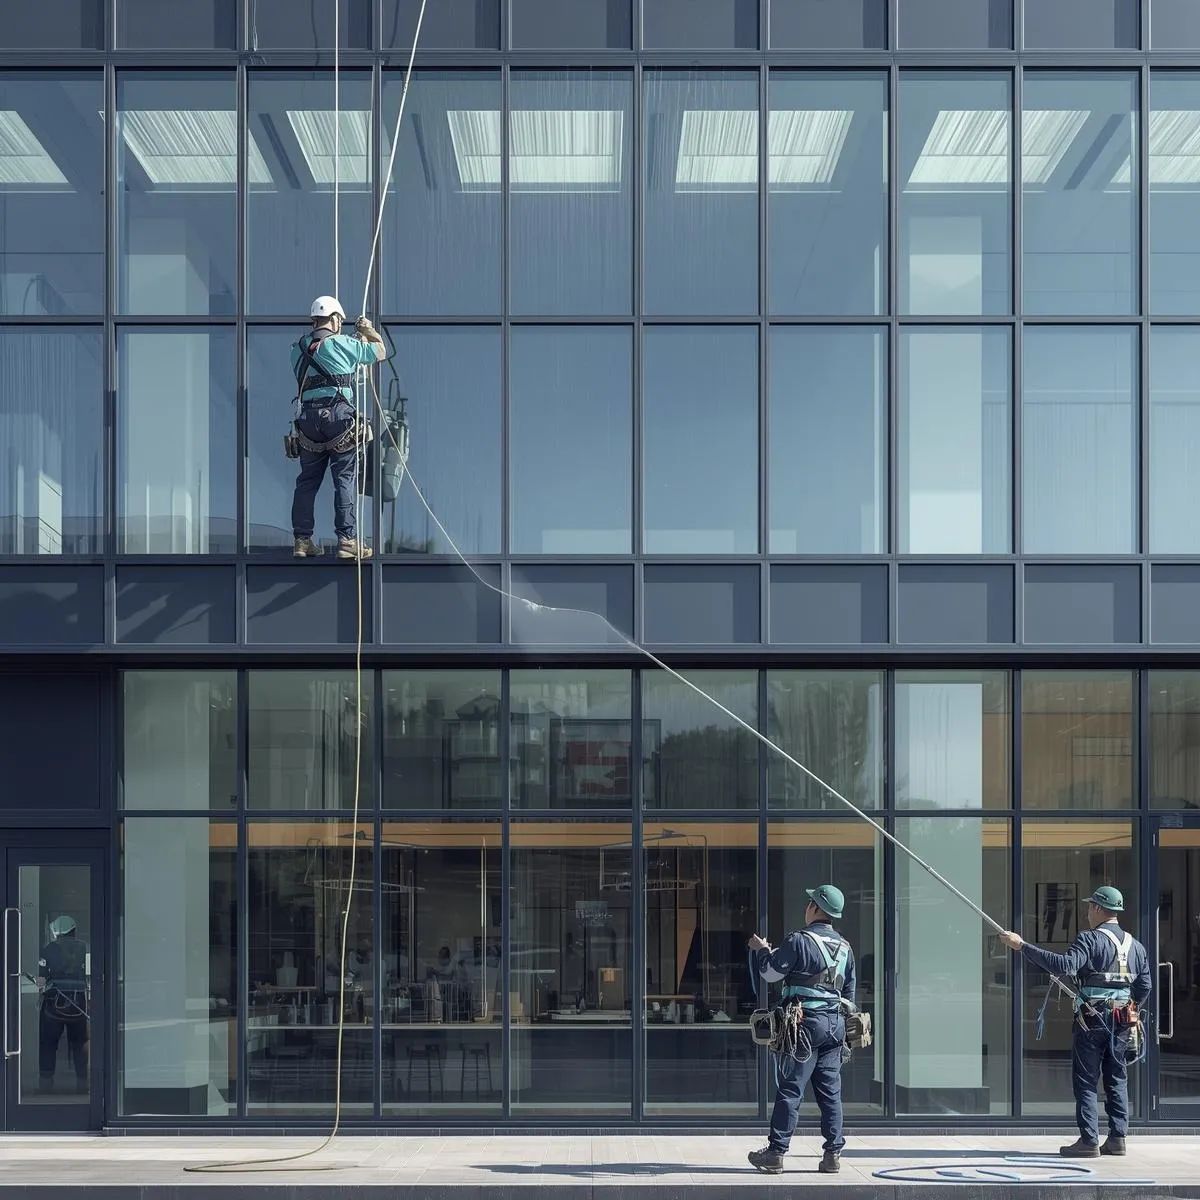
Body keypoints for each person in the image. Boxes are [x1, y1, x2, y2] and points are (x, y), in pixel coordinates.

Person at [1000, 886, 1151, 1158]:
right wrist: (1131, 1006)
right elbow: (1145, 986)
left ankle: (1089, 1141)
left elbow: (1064, 965)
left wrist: (1022, 946)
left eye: (1090, 907)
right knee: (1116, 1077)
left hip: (1092, 1020)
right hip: (1122, 1022)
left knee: (1086, 1079)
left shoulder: (1089, 939)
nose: (1087, 913)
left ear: (1097, 908)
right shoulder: (1136, 947)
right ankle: (1117, 1139)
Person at [746, 883, 855, 1176]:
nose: (806, 908)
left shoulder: (799, 940)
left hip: (804, 1024)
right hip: (835, 1026)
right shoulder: (845, 948)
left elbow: (770, 974)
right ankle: (832, 1155)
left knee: (791, 1088)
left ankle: (776, 1153)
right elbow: (849, 993)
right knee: (830, 1092)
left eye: (809, 904)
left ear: (815, 908)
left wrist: (762, 950)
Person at [289, 296, 388, 560]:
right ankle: (347, 540)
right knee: (344, 478)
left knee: (307, 481)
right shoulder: (344, 343)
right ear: (334, 319)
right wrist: (368, 331)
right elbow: (380, 352)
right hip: (338, 416)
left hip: (307, 421)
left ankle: (302, 541)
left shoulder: (296, 350)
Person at [36, 915, 89, 1094]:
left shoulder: (48, 949)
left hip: (53, 1003)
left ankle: (45, 1085)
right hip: (79, 1002)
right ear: (73, 930)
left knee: (48, 1043)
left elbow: (42, 979)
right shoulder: (84, 947)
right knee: (80, 1043)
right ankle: (82, 1084)